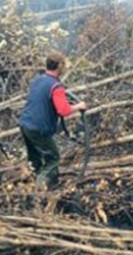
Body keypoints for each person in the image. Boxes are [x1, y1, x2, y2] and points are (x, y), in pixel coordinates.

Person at [19, 52, 87, 188]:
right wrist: (79, 106)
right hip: (39, 129)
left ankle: (32, 187)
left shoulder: (37, 80)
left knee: (35, 159)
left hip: (25, 124)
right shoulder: (56, 87)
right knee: (53, 159)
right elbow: (64, 111)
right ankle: (39, 194)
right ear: (59, 66)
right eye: (64, 64)